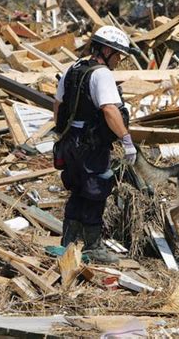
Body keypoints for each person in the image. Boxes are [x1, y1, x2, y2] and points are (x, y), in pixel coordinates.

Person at [54, 25, 137, 264]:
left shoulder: (73, 69)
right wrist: (126, 139)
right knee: (96, 191)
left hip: (71, 141)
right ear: (105, 50)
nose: (119, 59)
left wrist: (62, 134)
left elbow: (58, 105)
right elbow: (109, 109)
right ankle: (91, 246)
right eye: (118, 54)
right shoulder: (101, 74)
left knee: (77, 190)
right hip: (91, 144)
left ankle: (68, 242)